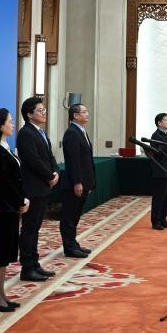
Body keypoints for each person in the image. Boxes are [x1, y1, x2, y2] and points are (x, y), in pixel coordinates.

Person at [0, 108, 29, 312]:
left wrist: (23, 198)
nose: (12, 124)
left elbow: (16, 179)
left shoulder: (5, 147)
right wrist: (20, 200)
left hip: (9, 207)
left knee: (5, 253)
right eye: (9, 121)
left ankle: (1, 294)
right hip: (0, 208)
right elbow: (3, 183)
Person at [16, 97, 59, 282]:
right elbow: (33, 160)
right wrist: (49, 176)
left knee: (36, 228)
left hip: (43, 187)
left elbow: (49, 156)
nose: (44, 113)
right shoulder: (25, 133)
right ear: (29, 114)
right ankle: (27, 268)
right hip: (33, 187)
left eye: (44, 110)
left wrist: (56, 171)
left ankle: (35, 264)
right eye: (40, 110)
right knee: (29, 228)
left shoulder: (40, 132)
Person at [60, 104, 94, 258]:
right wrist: (77, 182)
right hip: (74, 183)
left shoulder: (81, 131)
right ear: (75, 115)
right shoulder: (72, 133)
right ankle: (69, 247)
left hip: (83, 181)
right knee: (69, 216)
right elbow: (73, 161)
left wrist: (88, 182)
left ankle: (73, 243)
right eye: (84, 112)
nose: (87, 114)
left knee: (75, 215)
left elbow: (86, 159)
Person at [148, 113, 167, 230]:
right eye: (165, 120)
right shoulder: (156, 135)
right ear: (159, 123)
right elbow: (159, 151)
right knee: (159, 197)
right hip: (161, 171)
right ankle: (156, 221)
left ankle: (163, 218)